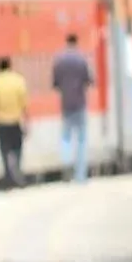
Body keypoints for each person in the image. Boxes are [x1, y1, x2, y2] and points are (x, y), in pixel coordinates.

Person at [52, 33, 93, 182]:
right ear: (76, 42)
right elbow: (88, 81)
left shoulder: (59, 61)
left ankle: (67, 167)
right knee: (81, 141)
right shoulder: (81, 59)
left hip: (66, 105)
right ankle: (80, 176)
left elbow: (55, 84)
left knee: (66, 138)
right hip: (80, 104)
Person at [0, 56, 28, 188]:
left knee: (5, 151)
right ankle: (17, 173)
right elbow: (24, 104)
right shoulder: (18, 81)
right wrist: (27, 122)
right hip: (16, 122)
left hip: (2, 123)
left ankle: (8, 178)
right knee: (17, 150)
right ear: (10, 65)